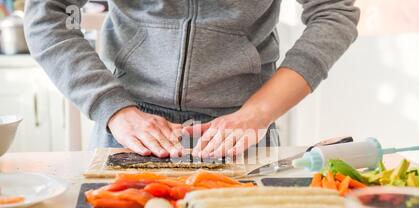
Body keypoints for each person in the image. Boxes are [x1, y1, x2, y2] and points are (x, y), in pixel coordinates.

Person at [24, 0, 360, 159]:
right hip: (130, 132)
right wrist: (112, 108)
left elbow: (334, 13)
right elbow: (46, 13)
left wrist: (258, 113)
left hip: (242, 133)